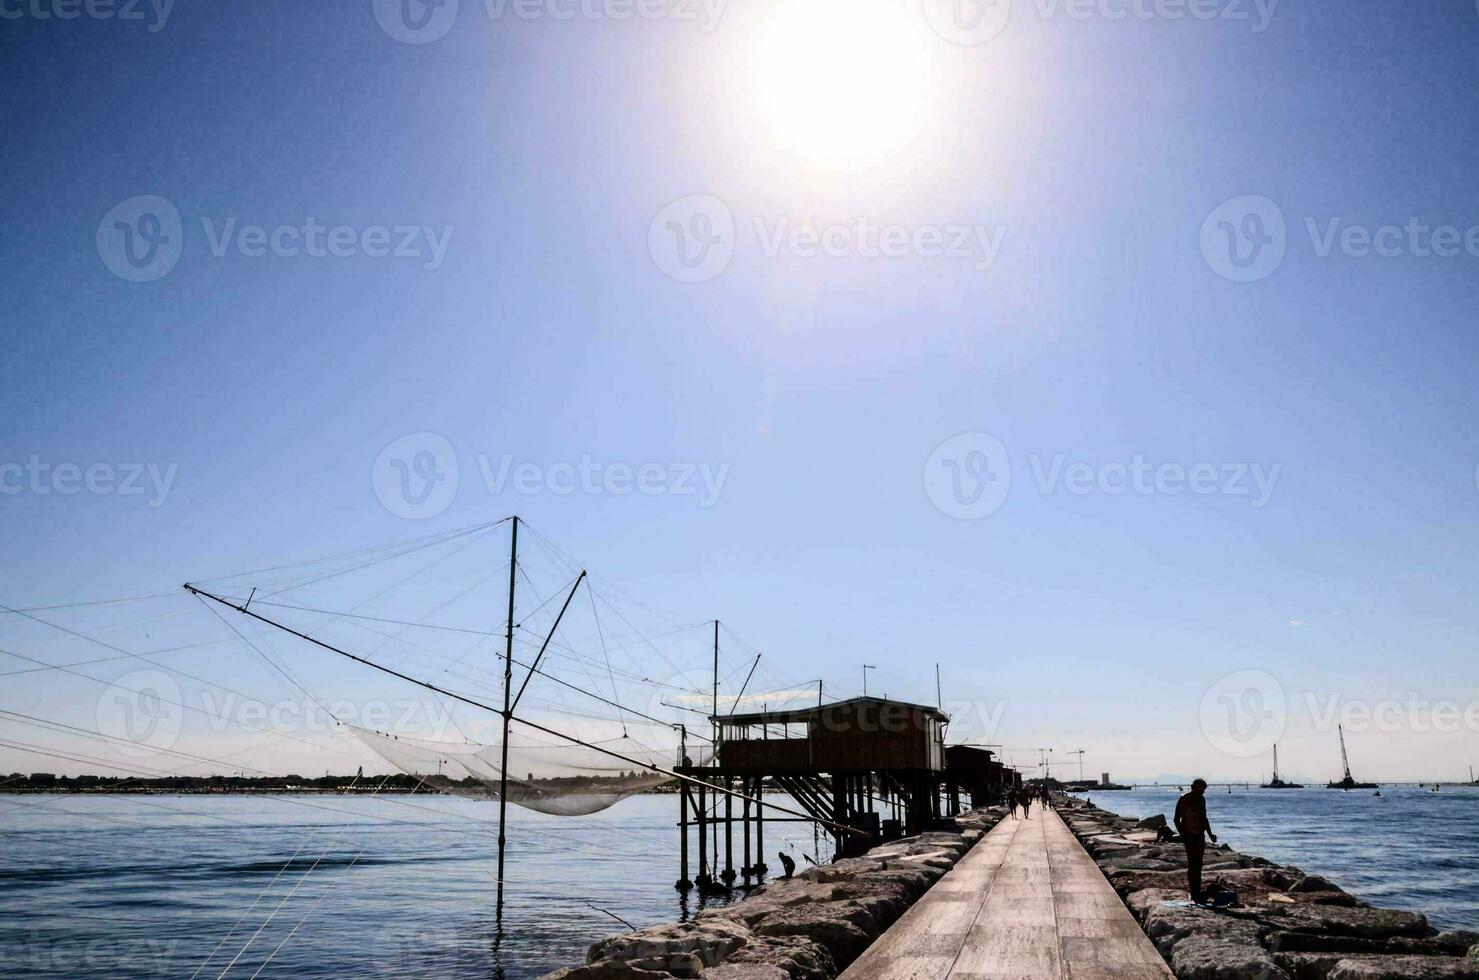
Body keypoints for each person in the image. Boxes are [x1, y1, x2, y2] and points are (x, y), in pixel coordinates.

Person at [1174, 778, 1218, 904]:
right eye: (1198, 790)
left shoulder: (1202, 800)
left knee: (1198, 864)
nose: (1200, 793)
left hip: (1200, 836)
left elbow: (1204, 818)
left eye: (1202, 791)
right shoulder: (1184, 799)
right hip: (1189, 835)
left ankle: (1197, 891)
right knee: (1192, 864)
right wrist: (1183, 834)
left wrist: (1210, 834)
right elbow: (1176, 819)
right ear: (1192, 787)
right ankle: (1193, 892)